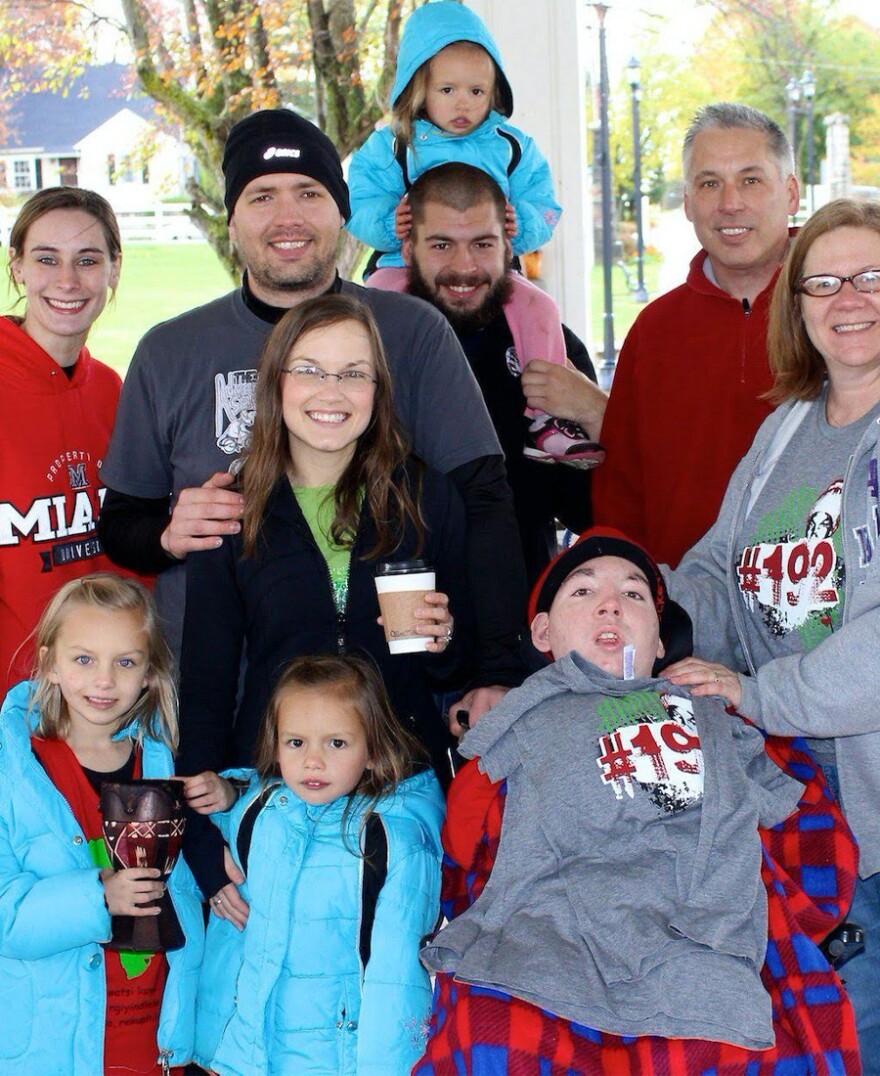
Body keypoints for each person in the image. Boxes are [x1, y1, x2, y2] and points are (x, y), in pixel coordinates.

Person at [97, 107, 525, 727]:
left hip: (391, 704)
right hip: (224, 705)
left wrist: (495, 668)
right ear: (233, 220)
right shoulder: (171, 350)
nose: (287, 217)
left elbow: (484, 500)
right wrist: (167, 530)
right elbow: (122, 525)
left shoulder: (412, 331)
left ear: (342, 210)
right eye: (262, 196)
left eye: (309, 192)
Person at [417, 529, 860, 1073]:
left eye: (633, 594)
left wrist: (772, 917)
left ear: (658, 641)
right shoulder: (520, 717)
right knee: (491, 1035)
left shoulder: (715, 713)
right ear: (542, 632)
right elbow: (464, 844)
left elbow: (813, 833)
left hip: (698, 956)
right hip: (546, 952)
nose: (609, 603)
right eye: (582, 592)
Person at [660, 198, 880, 1072]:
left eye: (871, 277)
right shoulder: (786, 425)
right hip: (796, 781)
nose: (848, 299)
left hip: (862, 771)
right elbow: (719, 569)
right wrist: (634, 610)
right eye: (823, 282)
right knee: (832, 1023)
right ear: (799, 307)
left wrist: (761, 695)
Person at [176, 293, 467, 906]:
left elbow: (455, 670)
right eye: (309, 370)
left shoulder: (425, 497)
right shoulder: (233, 508)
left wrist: (444, 644)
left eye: (352, 373)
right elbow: (205, 684)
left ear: (378, 389)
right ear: (275, 383)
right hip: (273, 794)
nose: (330, 392)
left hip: (398, 793)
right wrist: (202, 843)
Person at [348, 1, 600, 466]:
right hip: (401, 268)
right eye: (448, 89)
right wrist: (389, 224)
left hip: (499, 276)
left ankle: (544, 418)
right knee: (373, 305)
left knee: (539, 304)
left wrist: (516, 227)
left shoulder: (510, 145)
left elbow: (545, 203)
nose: (463, 103)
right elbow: (357, 200)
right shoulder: (394, 145)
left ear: (494, 91)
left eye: (477, 91)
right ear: (417, 87)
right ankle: (378, 409)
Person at [182, 653, 444, 1075]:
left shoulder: (394, 840)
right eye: (296, 742)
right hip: (248, 1058)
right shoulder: (258, 812)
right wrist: (216, 1051)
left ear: (373, 752)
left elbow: (397, 979)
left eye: (336, 743)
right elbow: (232, 940)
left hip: (340, 1058)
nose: (312, 761)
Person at [0, 573, 204, 1075]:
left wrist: (227, 798)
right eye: (84, 659)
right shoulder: (14, 772)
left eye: (126, 662)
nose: (105, 680)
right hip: (51, 1047)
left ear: (151, 673)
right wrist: (98, 898)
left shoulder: (166, 763)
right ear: (49, 664)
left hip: (155, 1041)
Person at [593, 103, 800, 566]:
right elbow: (619, 497)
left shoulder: (841, 313)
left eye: (751, 179)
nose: (730, 203)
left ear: (790, 193)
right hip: (686, 614)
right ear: (687, 201)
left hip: (826, 611)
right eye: (709, 183)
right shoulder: (654, 332)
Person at [401, 161, 606, 590]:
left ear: (508, 248)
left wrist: (596, 412)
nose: (464, 266)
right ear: (407, 250)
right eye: (441, 245)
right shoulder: (367, 344)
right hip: (397, 602)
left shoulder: (549, 346)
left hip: (519, 600)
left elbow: (592, 514)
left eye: (482, 244)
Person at [1, 187, 127, 691]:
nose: (68, 281)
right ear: (17, 267)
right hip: (14, 702)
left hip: (108, 698)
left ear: (114, 269)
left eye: (88, 260)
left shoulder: (116, 392)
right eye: (47, 259)